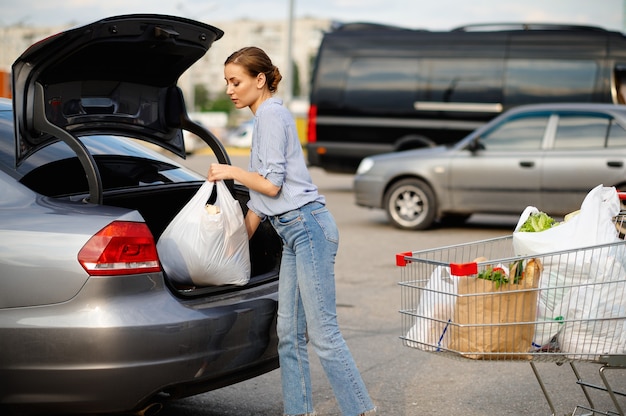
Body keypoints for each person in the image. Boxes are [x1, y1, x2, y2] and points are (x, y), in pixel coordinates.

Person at [207, 46, 376, 416]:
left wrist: (229, 170)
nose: (230, 90)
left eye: (236, 82)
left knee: (324, 335)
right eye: (227, 83)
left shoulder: (270, 115)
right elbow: (258, 203)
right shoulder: (265, 117)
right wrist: (229, 252)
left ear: (260, 79)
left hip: (308, 227)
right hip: (293, 232)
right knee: (288, 336)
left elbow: (271, 186)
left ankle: (360, 410)